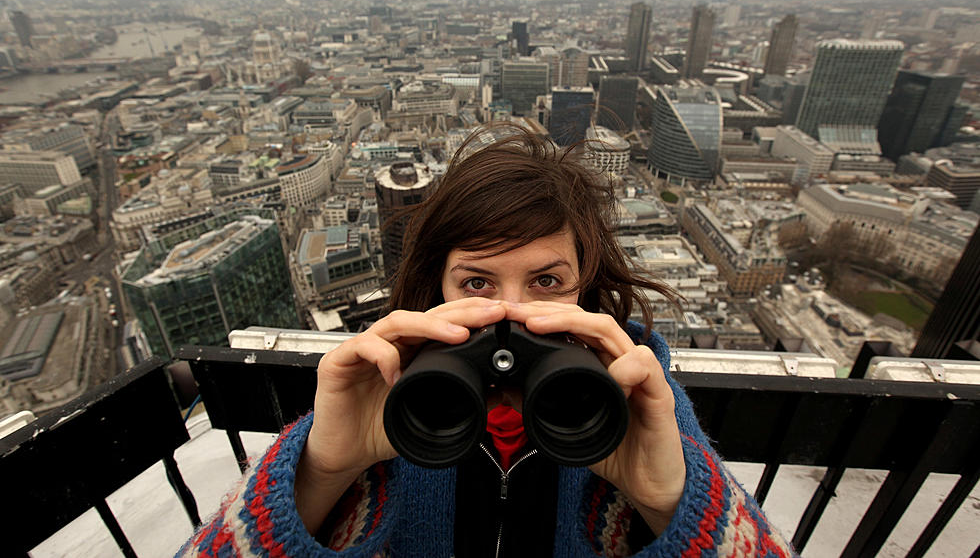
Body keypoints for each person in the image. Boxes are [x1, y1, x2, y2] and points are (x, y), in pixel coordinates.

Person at [177, 126, 797, 557]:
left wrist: (670, 501)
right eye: (477, 281)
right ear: (436, 288)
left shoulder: (632, 396)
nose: (510, 313)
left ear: (585, 289)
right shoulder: (392, 397)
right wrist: (324, 470)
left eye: (547, 282)